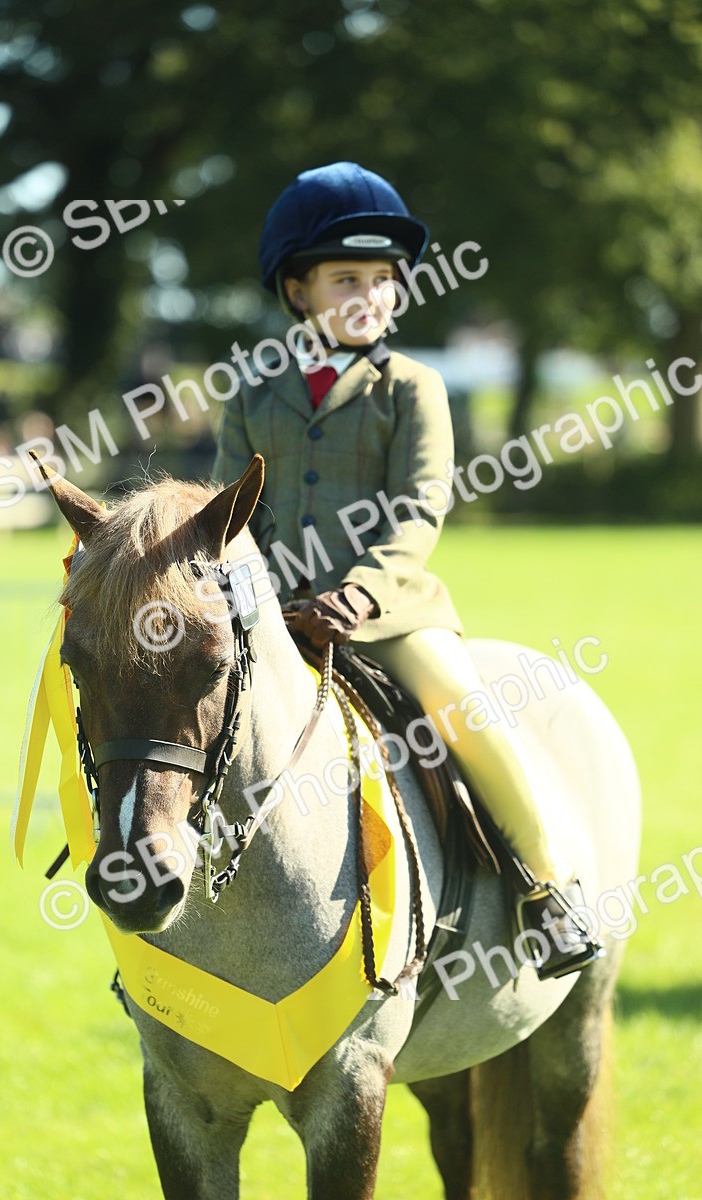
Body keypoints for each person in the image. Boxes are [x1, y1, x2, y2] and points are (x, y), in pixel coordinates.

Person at [212, 161, 602, 980]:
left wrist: (357, 592)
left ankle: (547, 889)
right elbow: (228, 509)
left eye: (385, 280)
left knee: (463, 705)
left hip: (387, 610)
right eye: (347, 277)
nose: (371, 295)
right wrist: (251, 595)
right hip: (272, 611)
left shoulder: (415, 388)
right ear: (297, 289)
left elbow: (419, 509)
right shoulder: (252, 390)